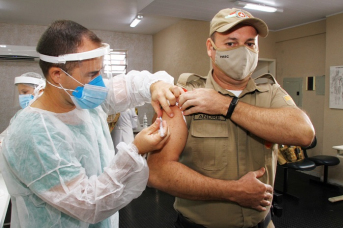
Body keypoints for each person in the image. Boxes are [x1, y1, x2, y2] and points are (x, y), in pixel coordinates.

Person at [0, 20, 182, 228]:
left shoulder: (79, 97)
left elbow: (130, 86)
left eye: (100, 72)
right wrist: (135, 150)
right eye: (92, 74)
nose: (99, 82)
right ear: (57, 75)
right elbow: (87, 204)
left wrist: (156, 85)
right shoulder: (35, 134)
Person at [147, 8, 315, 228]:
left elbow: (304, 134)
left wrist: (227, 105)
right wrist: (233, 191)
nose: (243, 51)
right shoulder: (184, 96)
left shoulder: (271, 92)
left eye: (250, 43)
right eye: (231, 43)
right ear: (211, 47)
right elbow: (157, 172)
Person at [0, 72, 46, 144]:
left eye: (25, 92)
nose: (22, 96)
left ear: (40, 91)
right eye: (19, 93)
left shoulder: (46, 116)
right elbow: (6, 135)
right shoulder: (20, 114)